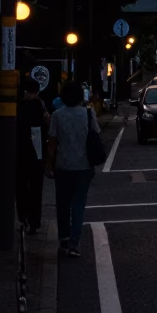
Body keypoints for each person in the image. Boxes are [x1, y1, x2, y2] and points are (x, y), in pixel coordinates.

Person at [46, 80, 102, 257]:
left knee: (62, 203)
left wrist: (49, 164)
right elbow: (96, 134)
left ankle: (64, 239)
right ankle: (74, 244)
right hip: (84, 165)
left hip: (63, 165)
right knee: (78, 205)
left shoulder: (57, 115)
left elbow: (52, 143)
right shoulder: (88, 113)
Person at [16, 76, 49, 234]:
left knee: (21, 187)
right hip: (37, 152)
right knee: (36, 189)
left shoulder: (19, 106)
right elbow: (47, 122)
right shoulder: (40, 105)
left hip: (21, 151)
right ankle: (34, 221)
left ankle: (22, 218)